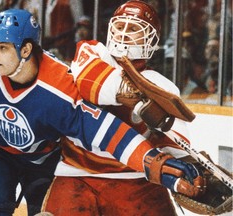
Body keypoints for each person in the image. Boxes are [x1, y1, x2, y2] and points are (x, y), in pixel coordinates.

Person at [0, 8, 205, 216]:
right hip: (0, 152)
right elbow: (94, 82)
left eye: (2, 47)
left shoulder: (60, 89)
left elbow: (107, 131)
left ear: (25, 49)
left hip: (50, 160)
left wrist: (169, 163)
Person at [41, 1, 205, 215]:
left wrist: (189, 170)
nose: (123, 33)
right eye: (119, 26)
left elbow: (172, 146)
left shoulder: (162, 87)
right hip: (77, 176)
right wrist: (135, 97)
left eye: (134, 28)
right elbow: (88, 80)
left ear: (151, 40)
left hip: (137, 182)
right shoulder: (92, 51)